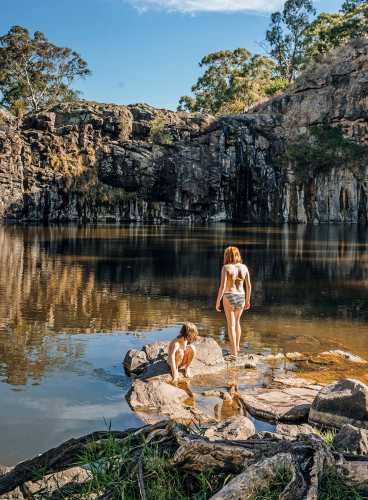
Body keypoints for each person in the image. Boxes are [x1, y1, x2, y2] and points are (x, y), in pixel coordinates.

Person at [216, 246, 251, 357]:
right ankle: (237, 347)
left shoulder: (226, 268)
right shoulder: (244, 267)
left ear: (226, 256)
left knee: (231, 325)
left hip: (229, 295)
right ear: (237, 255)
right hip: (241, 296)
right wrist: (248, 300)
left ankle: (234, 352)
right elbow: (249, 286)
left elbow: (222, 286)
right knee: (237, 322)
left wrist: (218, 301)